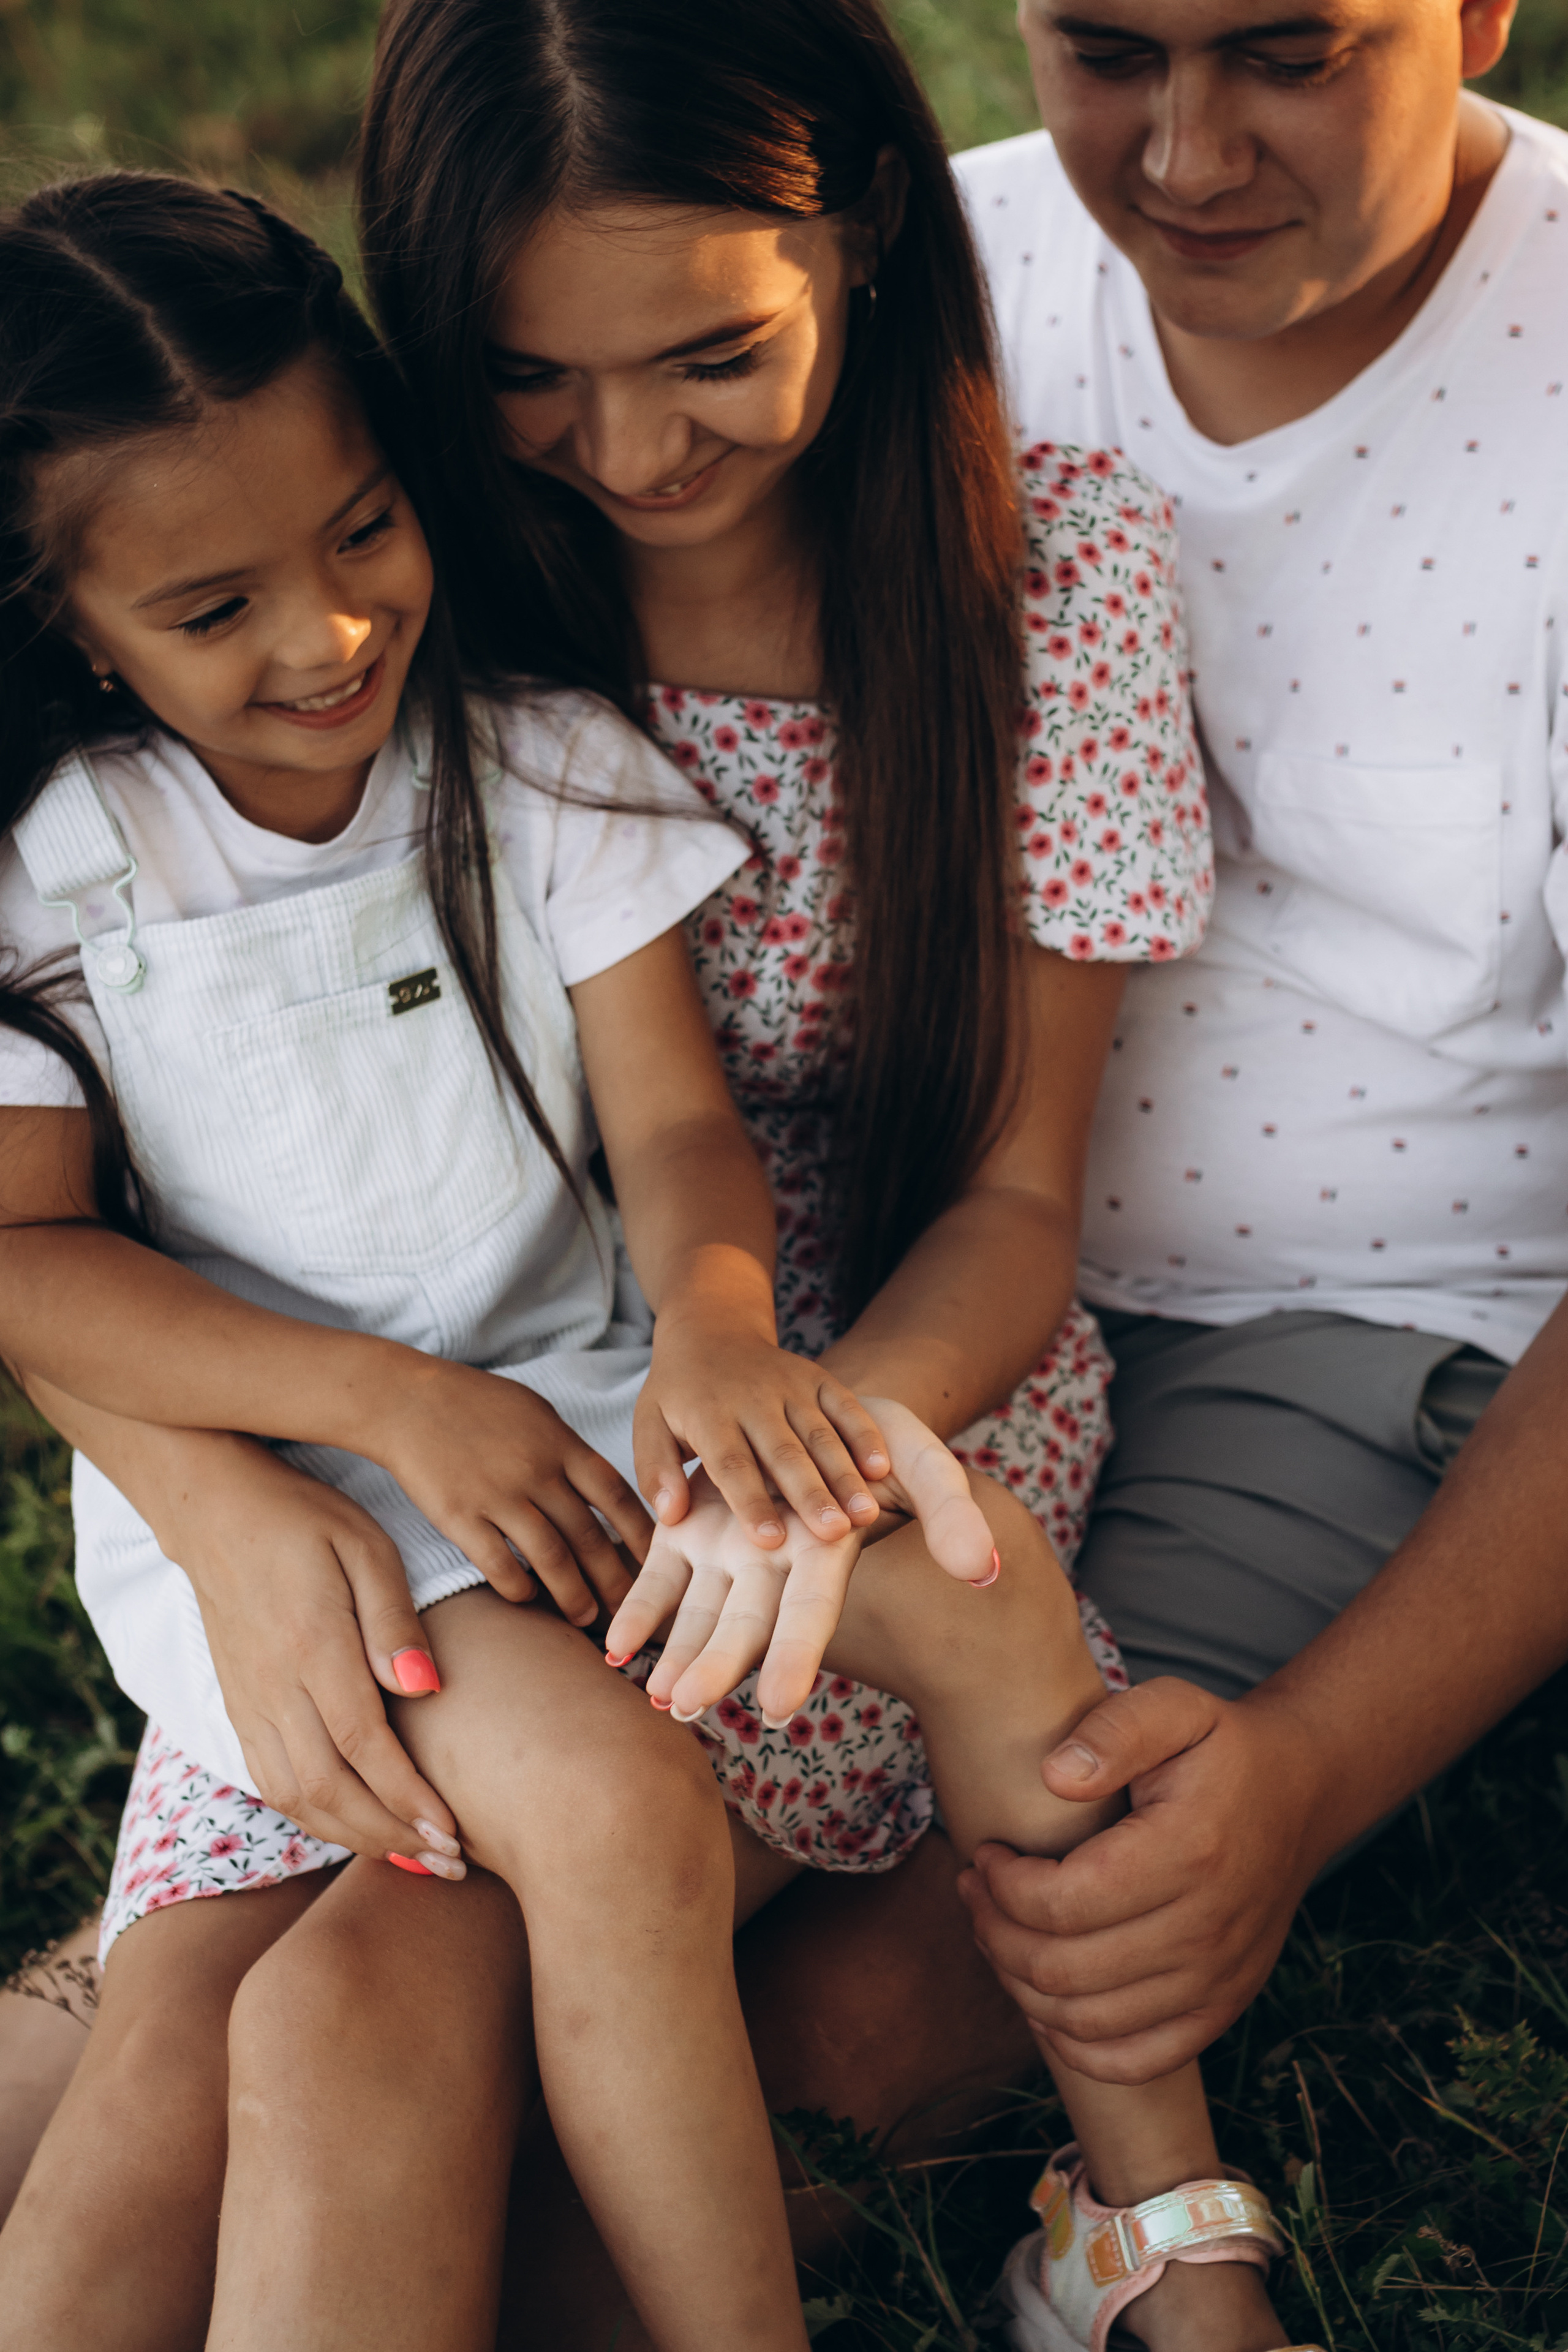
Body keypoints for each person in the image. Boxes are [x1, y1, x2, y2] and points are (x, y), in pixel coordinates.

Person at [0, 107, 1268, 2352]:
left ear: (867, 241)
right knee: (173, 2079)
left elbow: (855, 1175)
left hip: (714, 1403)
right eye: (532, 373)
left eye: (699, 351)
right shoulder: (417, 596)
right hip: (334, 1479)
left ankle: (1139, 2230)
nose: (624, 448)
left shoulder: (563, 726)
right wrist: (229, 1488)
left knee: (366, 2020)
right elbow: (46, 1253)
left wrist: (737, 1357)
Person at [941, 0, 1568, 2324]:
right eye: (1105, 49)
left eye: (1288, 53)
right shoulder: (912, 288)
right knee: (415, 1906)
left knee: (872, 2021)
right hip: (873, 1283)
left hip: (1364, 1331)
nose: (1184, 151)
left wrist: (1294, 1780)